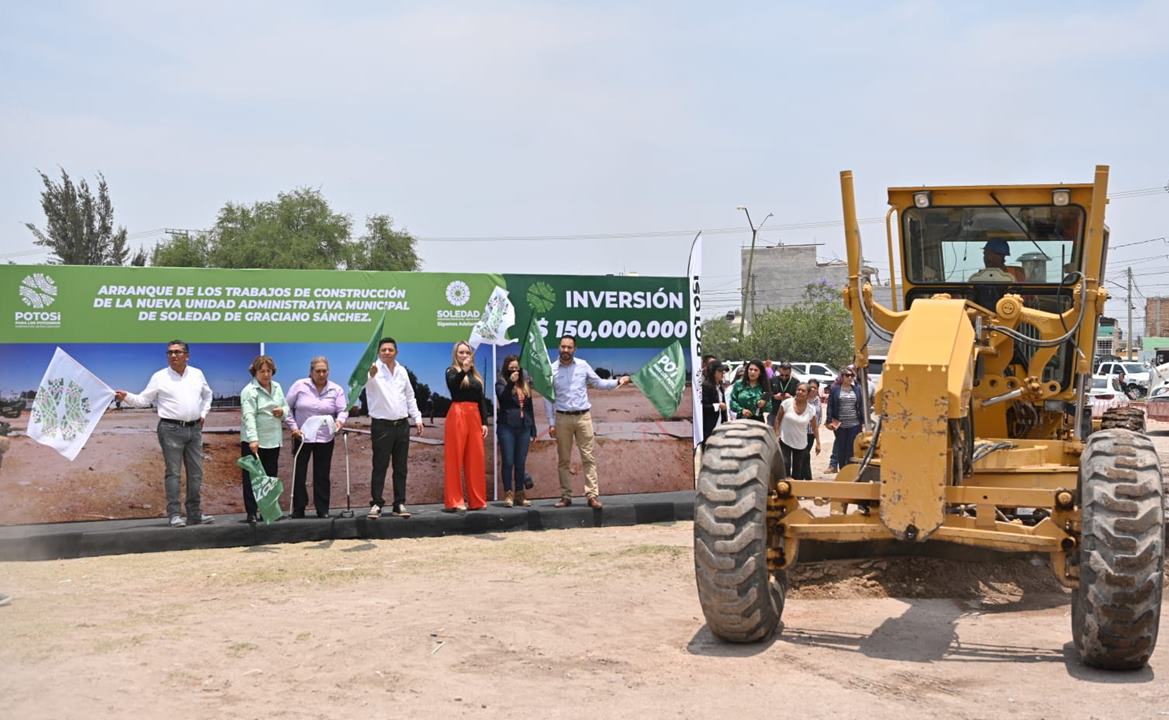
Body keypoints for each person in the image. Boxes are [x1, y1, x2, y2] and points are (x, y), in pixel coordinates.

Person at [115, 340, 214, 528]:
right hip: (170, 430)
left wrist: (202, 414)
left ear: (187, 355)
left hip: (194, 430)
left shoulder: (197, 374)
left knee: (196, 474)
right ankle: (175, 515)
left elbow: (208, 395)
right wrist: (126, 396)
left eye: (177, 352)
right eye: (169, 353)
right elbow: (143, 400)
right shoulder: (159, 377)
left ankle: (195, 514)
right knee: (173, 473)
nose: (173, 355)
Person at [544, 335, 632, 510]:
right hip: (562, 419)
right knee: (563, 460)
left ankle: (592, 495)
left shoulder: (583, 366)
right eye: (563, 347)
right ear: (558, 348)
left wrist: (618, 381)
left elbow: (598, 383)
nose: (566, 350)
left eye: (569, 347)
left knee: (588, 458)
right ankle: (565, 496)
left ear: (574, 349)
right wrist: (551, 422)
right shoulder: (551, 370)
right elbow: (548, 398)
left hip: (583, 418)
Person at [365, 337, 424, 519]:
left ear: (396, 352)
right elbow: (362, 383)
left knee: (401, 467)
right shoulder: (372, 370)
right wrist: (370, 375)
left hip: (402, 425)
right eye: (383, 350)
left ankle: (399, 503)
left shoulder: (402, 371)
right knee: (380, 466)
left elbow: (409, 396)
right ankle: (376, 504)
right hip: (381, 426)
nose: (387, 352)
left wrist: (418, 417)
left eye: (390, 350)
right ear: (378, 352)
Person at [284, 356, 348, 519]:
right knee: (300, 473)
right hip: (302, 436)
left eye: (324, 371)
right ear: (311, 372)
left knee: (322, 473)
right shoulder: (299, 386)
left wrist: (340, 421)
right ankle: (299, 508)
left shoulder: (336, 389)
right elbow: (286, 408)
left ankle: (322, 509)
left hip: (325, 437)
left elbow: (343, 409)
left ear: (328, 372)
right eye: (318, 371)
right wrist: (294, 428)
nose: (321, 374)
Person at [239, 355, 289, 524]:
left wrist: (282, 411)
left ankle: (268, 512)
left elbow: (286, 407)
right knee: (253, 479)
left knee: (270, 478)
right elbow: (249, 416)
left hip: (274, 440)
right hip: (254, 443)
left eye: (269, 371)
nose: (266, 374)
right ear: (255, 372)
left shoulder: (277, 387)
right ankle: (251, 513)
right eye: (262, 371)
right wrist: (253, 439)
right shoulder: (249, 391)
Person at [443, 341, 488, 512]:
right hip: (457, 413)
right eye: (461, 352)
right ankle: (454, 501)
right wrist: (464, 370)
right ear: (455, 354)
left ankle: (477, 500)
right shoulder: (451, 371)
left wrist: (484, 422)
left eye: (467, 353)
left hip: (474, 415)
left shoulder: (476, 376)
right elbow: (453, 386)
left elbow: (481, 399)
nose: (464, 355)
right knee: (454, 458)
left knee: (476, 458)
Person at [496, 354, 536, 508]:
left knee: (520, 462)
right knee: (508, 461)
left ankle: (520, 494)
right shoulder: (501, 383)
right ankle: (508, 494)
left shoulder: (525, 385)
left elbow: (529, 407)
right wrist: (510, 384)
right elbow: (503, 399)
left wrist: (532, 427)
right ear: (506, 369)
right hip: (507, 427)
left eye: (516, 367)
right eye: (511, 367)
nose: (514, 370)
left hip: (524, 427)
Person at [776, 383, 820, 479]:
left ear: (808, 394)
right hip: (785, 439)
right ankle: (784, 491)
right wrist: (777, 435)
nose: (800, 392)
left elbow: (814, 427)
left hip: (800, 443)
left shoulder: (811, 409)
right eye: (798, 389)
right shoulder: (786, 403)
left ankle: (796, 493)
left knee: (797, 470)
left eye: (803, 391)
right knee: (785, 464)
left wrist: (818, 443)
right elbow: (778, 419)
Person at [826, 367, 864, 473]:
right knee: (841, 448)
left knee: (851, 449)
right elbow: (830, 406)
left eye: (852, 375)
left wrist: (863, 421)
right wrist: (829, 421)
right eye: (847, 375)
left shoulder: (857, 389)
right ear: (842, 377)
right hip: (840, 425)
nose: (850, 377)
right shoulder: (835, 389)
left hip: (855, 424)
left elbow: (860, 406)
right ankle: (843, 470)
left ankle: (850, 471)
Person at [701, 361, 728, 443]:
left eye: (723, 371)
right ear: (713, 372)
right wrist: (717, 406)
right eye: (720, 371)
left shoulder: (720, 387)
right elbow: (703, 407)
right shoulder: (705, 386)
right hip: (709, 427)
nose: (722, 374)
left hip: (721, 425)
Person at [769, 361, 799, 428]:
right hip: (774, 412)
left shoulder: (795, 382)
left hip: (789, 414)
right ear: (779, 370)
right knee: (771, 435)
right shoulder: (772, 380)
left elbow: (799, 397)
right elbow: (767, 394)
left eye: (786, 375)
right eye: (782, 375)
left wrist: (791, 397)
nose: (784, 377)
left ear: (790, 372)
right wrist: (774, 396)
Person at [806, 378, 823, 454]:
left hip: (811, 433)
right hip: (801, 432)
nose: (813, 389)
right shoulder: (802, 399)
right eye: (811, 387)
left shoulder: (818, 400)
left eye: (815, 388)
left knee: (806, 453)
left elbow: (819, 416)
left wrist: (818, 441)